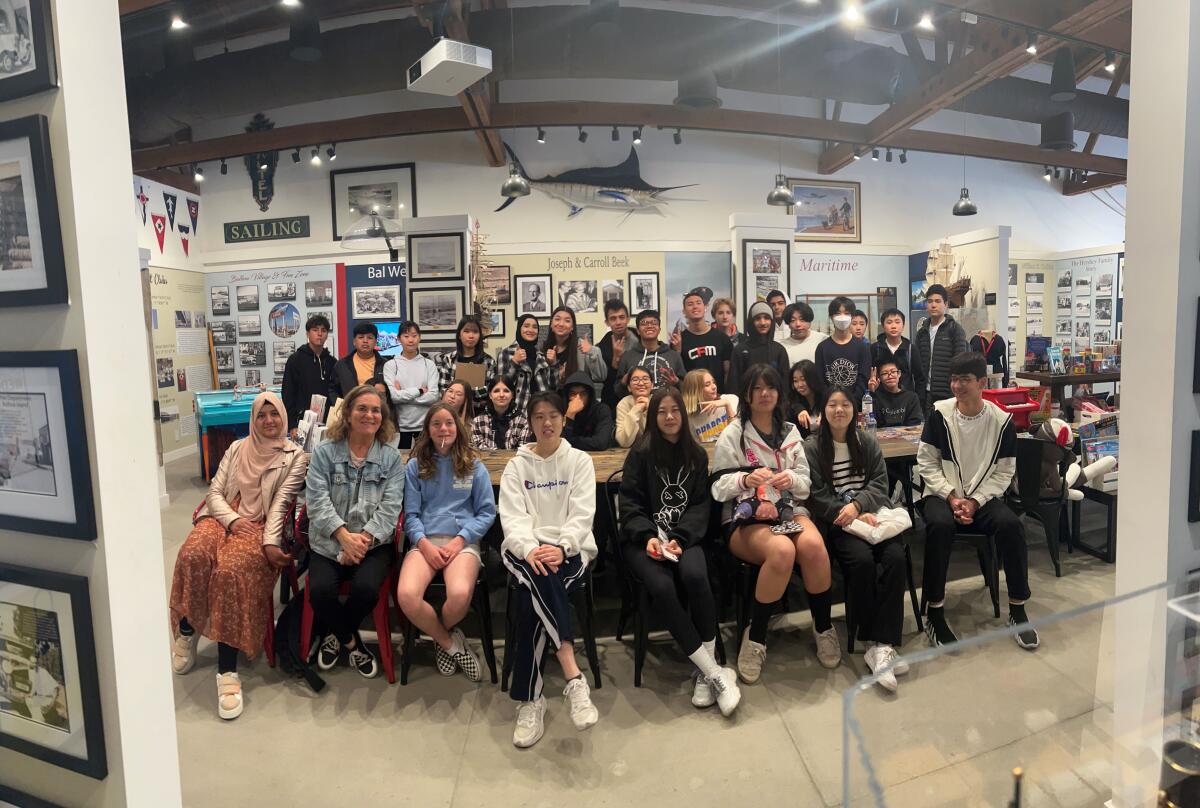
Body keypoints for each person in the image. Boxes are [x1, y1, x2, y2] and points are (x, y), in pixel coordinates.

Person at [169, 391, 307, 720]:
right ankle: (187, 630)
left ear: (283, 417)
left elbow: (280, 505)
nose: (269, 421)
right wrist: (232, 519)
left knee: (229, 573)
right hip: (225, 516)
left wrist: (270, 542)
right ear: (254, 418)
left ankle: (227, 671)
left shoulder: (295, 456)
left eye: (275, 414)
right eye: (262, 415)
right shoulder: (236, 447)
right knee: (193, 553)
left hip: (261, 526)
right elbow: (215, 492)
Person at [711, 364, 839, 683]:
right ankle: (756, 638)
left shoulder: (790, 431)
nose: (765, 394)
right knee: (782, 551)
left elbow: (806, 484)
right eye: (757, 388)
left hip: (788, 510)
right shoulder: (734, 433)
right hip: (746, 517)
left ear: (780, 393)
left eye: (771, 387)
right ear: (747, 394)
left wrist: (790, 478)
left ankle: (823, 626)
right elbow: (716, 487)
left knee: (813, 546)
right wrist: (745, 479)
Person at [618, 387, 741, 715]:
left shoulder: (697, 455)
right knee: (661, 585)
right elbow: (629, 503)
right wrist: (648, 537)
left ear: (683, 416)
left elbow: (701, 506)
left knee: (696, 575)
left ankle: (705, 672)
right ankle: (714, 672)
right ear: (653, 416)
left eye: (675, 411)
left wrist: (682, 538)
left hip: (683, 539)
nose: (670, 417)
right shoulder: (641, 453)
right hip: (645, 541)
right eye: (662, 411)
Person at [917, 352, 1037, 650]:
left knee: (1011, 525)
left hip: (981, 497)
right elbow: (926, 462)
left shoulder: (1001, 421)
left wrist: (975, 501)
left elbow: (1005, 471)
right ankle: (935, 612)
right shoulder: (939, 414)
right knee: (940, 527)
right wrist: (952, 496)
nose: (957, 386)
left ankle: (1018, 609)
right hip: (941, 493)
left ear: (982, 382)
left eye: (965, 380)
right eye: (954, 379)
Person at [499, 391, 600, 748]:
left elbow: (582, 513)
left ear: (563, 418)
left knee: (531, 601)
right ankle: (573, 675)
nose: (547, 423)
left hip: (570, 549)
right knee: (538, 578)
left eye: (554, 415)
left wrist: (561, 547)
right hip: (525, 550)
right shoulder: (517, 465)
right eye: (539, 416)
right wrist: (532, 549)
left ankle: (530, 699)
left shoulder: (579, 461)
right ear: (530, 422)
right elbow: (512, 519)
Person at [804, 387, 908, 691]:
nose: (839, 410)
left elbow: (880, 482)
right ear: (823, 410)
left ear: (855, 410)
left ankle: (884, 644)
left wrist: (859, 506)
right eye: (832, 404)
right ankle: (867, 638)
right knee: (861, 562)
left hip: (874, 516)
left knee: (895, 558)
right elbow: (816, 496)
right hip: (840, 524)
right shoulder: (812, 448)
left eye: (845, 404)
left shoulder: (866, 441)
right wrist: (848, 511)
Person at [304, 385, 404, 678]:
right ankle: (352, 641)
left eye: (375, 410)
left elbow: (391, 507)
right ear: (347, 413)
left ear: (382, 417)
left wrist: (363, 541)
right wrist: (344, 538)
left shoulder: (390, 458)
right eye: (362, 408)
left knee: (367, 590)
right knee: (320, 592)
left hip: (373, 544)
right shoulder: (324, 452)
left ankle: (337, 634)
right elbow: (316, 501)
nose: (369, 415)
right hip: (328, 540)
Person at [397, 403, 496, 682]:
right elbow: (412, 515)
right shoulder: (415, 466)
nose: (443, 428)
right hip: (425, 539)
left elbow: (487, 512)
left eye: (449, 423)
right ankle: (449, 643)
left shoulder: (474, 465)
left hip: (462, 541)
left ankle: (440, 637)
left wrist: (460, 541)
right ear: (428, 430)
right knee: (406, 594)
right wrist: (424, 544)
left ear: (458, 427)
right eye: (436, 424)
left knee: (460, 594)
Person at [383, 321, 440, 449]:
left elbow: (434, 396)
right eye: (406, 336)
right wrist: (419, 390)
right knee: (402, 464)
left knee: (426, 464)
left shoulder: (428, 364)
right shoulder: (391, 365)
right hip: (399, 427)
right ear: (399, 339)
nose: (410, 340)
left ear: (419, 337)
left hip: (425, 426)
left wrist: (403, 395)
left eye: (414, 336)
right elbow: (394, 397)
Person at [914, 284, 968, 410]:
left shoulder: (955, 329)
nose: (933, 305)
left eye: (938, 301)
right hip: (925, 394)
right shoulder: (922, 332)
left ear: (946, 304)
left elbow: (960, 364)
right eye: (930, 301)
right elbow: (917, 366)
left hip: (947, 394)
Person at [281, 313, 336, 433]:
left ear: (327, 334)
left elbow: (336, 394)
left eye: (323, 330)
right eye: (315, 330)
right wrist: (292, 425)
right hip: (302, 422)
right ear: (307, 333)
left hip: (327, 423)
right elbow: (288, 394)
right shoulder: (295, 360)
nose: (319, 334)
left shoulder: (332, 362)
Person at [492, 314, 554, 418]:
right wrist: (515, 362)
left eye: (535, 327)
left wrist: (552, 364)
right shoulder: (506, 353)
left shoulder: (541, 355)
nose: (530, 330)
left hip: (541, 411)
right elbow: (501, 385)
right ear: (519, 329)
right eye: (526, 326)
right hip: (516, 413)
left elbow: (551, 386)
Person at [814, 296, 872, 405]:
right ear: (831, 317)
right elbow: (820, 381)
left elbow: (863, 379)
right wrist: (833, 403)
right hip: (830, 405)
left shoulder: (862, 347)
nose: (842, 317)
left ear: (852, 316)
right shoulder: (822, 348)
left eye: (846, 313)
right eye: (837, 313)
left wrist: (849, 403)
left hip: (855, 406)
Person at [672, 289, 732, 393]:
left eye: (698, 303)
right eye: (690, 304)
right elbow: (677, 375)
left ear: (705, 307)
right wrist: (677, 351)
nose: (695, 306)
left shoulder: (722, 338)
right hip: (692, 399)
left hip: (718, 397)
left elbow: (728, 372)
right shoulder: (679, 340)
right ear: (684, 311)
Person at [615, 309, 685, 393]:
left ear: (659, 329)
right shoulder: (627, 356)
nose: (649, 326)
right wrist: (624, 381)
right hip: (637, 403)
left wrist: (676, 382)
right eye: (644, 323)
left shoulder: (673, 355)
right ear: (638, 330)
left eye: (654, 323)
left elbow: (686, 387)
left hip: (666, 404)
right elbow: (618, 391)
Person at [726, 301, 790, 393]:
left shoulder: (779, 350)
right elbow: (733, 386)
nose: (762, 322)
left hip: (775, 404)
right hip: (746, 405)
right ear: (751, 322)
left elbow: (785, 386)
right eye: (758, 318)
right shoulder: (740, 350)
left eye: (766, 318)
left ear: (772, 321)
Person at [543, 306, 606, 396]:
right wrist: (553, 366)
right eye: (557, 319)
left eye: (567, 321)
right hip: (552, 401)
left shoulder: (581, 347)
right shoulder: (544, 348)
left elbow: (601, 376)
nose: (561, 324)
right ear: (551, 324)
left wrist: (592, 351)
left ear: (572, 327)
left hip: (578, 398)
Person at [434, 316, 494, 404]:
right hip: (453, 411)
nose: (471, 336)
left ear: (480, 335)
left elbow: (490, 390)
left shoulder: (489, 361)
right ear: (459, 335)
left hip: (480, 413)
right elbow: (444, 390)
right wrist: (475, 393)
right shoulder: (449, 360)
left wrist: (458, 393)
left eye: (475, 331)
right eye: (466, 331)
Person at [870, 308, 925, 396]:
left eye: (897, 322)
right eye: (889, 322)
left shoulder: (910, 349)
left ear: (903, 325)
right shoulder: (875, 348)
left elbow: (920, 378)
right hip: (881, 399)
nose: (893, 326)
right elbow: (871, 376)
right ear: (883, 326)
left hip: (906, 400)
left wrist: (918, 401)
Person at [597, 299, 639, 411]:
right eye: (613, 318)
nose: (618, 322)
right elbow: (605, 381)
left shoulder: (640, 338)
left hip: (640, 396)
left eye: (621, 317)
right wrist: (615, 360)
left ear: (628, 319)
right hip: (614, 402)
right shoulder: (602, 347)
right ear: (607, 322)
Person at [472, 377, 531, 451]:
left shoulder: (523, 422)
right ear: (490, 395)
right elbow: (479, 452)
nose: (501, 395)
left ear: (512, 395)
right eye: (496, 391)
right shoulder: (478, 422)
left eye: (506, 391)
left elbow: (523, 452)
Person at [332, 322, 387, 401]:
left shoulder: (385, 364)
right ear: (354, 341)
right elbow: (333, 390)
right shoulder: (342, 365)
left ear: (375, 342)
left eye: (369, 338)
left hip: (377, 410)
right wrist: (341, 406)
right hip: (350, 411)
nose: (365, 341)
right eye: (361, 337)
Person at [680, 369, 739, 444]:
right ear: (695, 390)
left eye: (713, 382)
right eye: (707, 385)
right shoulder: (690, 418)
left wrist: (727, 406)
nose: (714, 386)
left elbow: (737, 435)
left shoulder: (731, 400)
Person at [561, 370, 615, 451]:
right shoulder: (561, 409)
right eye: (573, 394)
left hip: (601, 458)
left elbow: (601, 443)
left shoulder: (601, 410)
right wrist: (570, 415)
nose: (577, 398)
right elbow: (557, 443)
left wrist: (570, 441)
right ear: (567, 395)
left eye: (583, 394)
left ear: (589, 396)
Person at [873, 358, 923, 427]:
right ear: (879, 378)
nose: (890, 376)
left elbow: (915, 424)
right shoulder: (875, 397)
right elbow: (873, 423)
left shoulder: (911, 397)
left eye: (893, 372)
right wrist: (872, 392)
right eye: (884, 373)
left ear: (899, 373)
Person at [778, 302, 828, 367]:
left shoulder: (823, 340)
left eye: (802, 319)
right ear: (788, 324)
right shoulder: (782, 347)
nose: (798, 324)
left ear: (810, 321)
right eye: (793, 320)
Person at [615, 366, 654, 448]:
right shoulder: (623, 404)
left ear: (652, 385)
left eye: (645, 379)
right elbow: (623, 442)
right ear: (629, 387)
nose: (641, 383)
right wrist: (636, 409)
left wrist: (649, 409)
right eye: (635, 380)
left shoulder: (659, 401)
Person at [788, 359, 823, 438]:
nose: (799, 385)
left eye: (803, 379)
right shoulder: (792, 403)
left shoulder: (825, 397)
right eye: (795, 381)